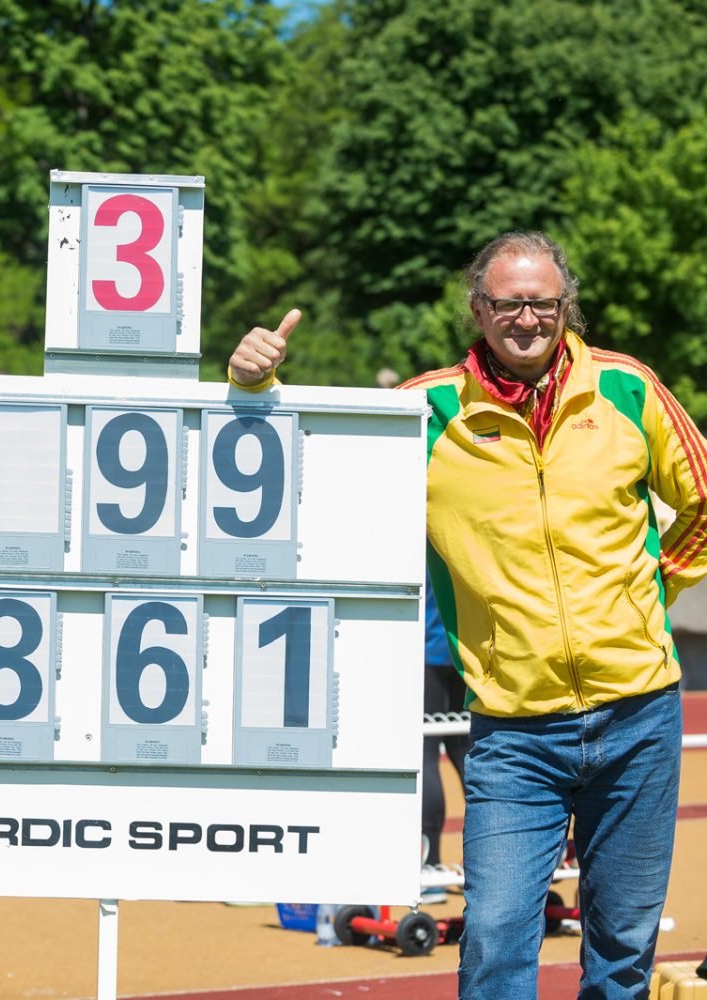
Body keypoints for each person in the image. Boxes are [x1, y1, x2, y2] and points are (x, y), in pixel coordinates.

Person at [228, 231, 705, 998]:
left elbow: (703, 498)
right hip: (514, 729)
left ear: (566, 306)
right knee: (493, 941)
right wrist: (252, 390)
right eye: (508, 303)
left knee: (622, 949)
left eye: (543, 303)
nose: (527, 319)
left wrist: (653, 584)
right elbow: (310, 468)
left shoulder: (628, 389)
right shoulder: (427, 407)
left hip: (639, 717)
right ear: (478, 309)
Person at [419, 570, 468, 905]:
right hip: (464, 653)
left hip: (426, 653)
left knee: (424, 757)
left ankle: (430, 866)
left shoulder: (419, 531)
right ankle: (486, 866)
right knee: (468, 754)